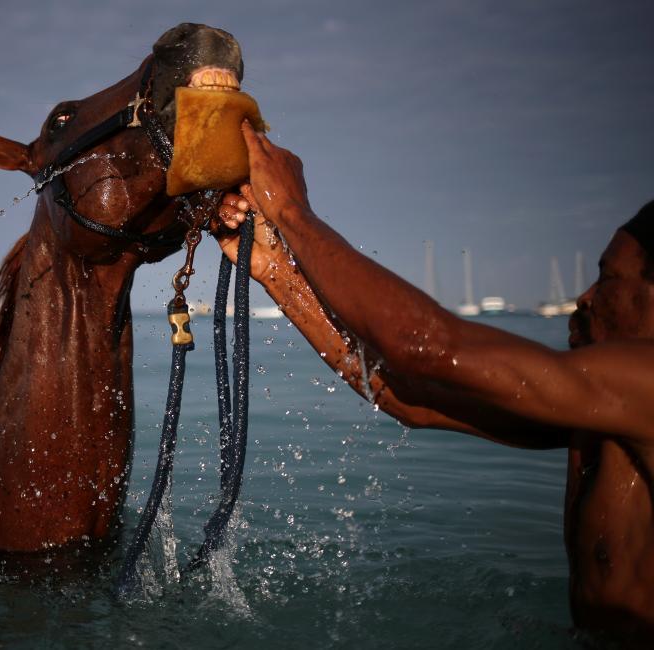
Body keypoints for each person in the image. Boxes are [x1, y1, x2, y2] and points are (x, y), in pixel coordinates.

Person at [215, 121, 654, 642]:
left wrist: (292, 212)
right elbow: (409, 396)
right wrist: (273, 270)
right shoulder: (596, 416)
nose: (583, 297)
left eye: (606, 278)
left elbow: (428, 347)